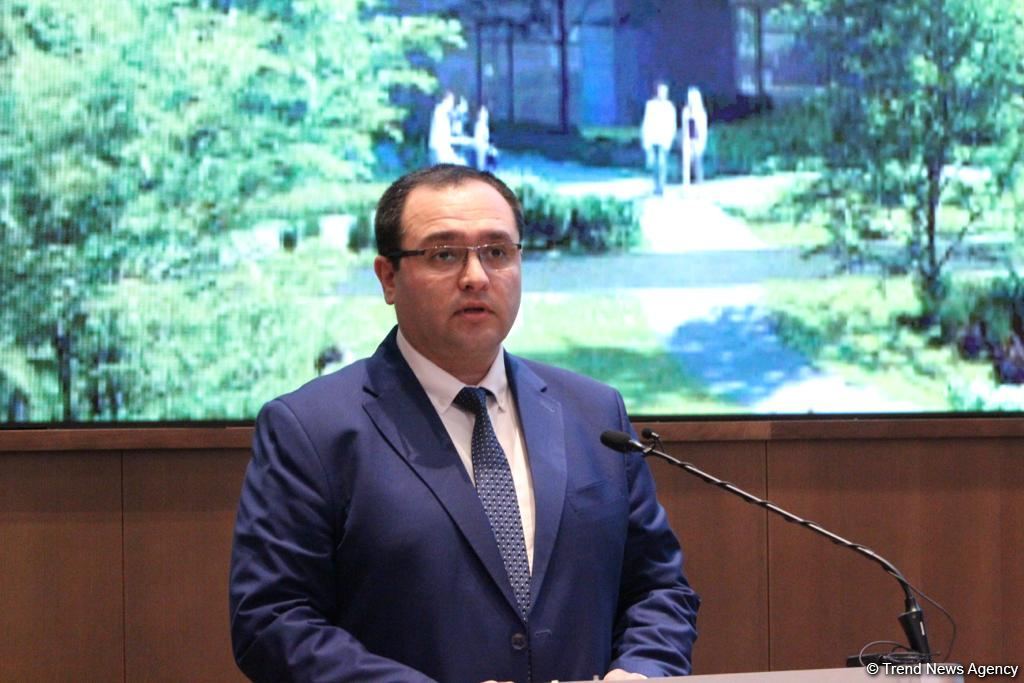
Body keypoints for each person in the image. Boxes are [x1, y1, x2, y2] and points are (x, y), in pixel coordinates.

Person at [229, 164, 700, 683]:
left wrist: (642, 670)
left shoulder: (594, 413)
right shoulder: (311, 429)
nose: (476, 276)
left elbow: (658, 588)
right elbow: (273, 622)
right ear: (388, 277)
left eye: (497, 252)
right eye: (444, 254)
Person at [640, 81, 678, 196]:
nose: (662, 93)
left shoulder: (669, 107)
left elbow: (672, 124)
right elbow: (646, 123)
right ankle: (656, 185)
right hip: (653, 139)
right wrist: (646, 140)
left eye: (664, 91)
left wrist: (670, 138)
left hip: (664, 139)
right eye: (661, 91)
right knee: (654, 164)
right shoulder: (651, 105)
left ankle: (661, 186)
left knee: (662, 162)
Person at [681, 87, 709, 186]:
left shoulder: (701, 112)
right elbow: (685, 126)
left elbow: (703, 128)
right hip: (687, 139)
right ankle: (686, 183)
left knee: (698, 162)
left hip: (698, 140)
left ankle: (699, 181)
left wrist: (702, 141)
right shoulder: (686, 111)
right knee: (686, 163)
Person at [428, 91, 459, 165]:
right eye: (451, 102)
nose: (452, 105)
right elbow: (442, 138)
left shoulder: (444, 114)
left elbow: (446, 139)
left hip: (441, 151)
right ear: (446, 100)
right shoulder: (439, 112)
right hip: (437, 151)